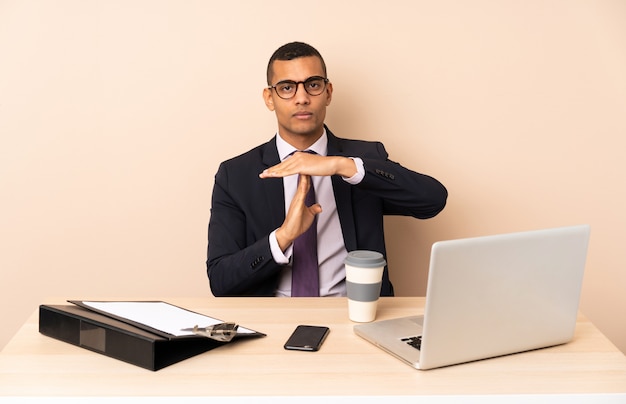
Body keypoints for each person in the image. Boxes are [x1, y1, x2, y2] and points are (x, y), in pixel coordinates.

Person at [207, 41, 447, 297]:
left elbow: (432, 201)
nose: (302, 98)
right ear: (270, 98)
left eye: (313, 85)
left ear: (328, 92)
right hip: (274, 320)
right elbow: (221, 281)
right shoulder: (236, 175)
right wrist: (284, 236)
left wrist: (339, 164)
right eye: (287, 88)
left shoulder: (363, 160)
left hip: (355, 315)